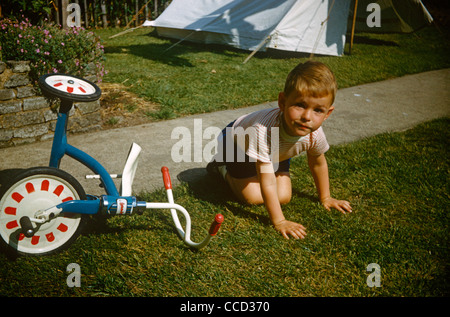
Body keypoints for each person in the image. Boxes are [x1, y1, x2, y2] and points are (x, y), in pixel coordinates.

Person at [207, 60, 352, 239]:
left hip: (275, 151)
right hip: (236, 144)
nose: (307, 117)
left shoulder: (314, 132)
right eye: (300, 105)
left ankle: (256, 164)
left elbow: (318, 162)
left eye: (318, 110)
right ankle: (221, 167)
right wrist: (279, 221)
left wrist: (326, 197)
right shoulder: (264, 131)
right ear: (282, 102)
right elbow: (266, 180)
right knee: (254, 197)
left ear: (327, 113)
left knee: (283, 196)